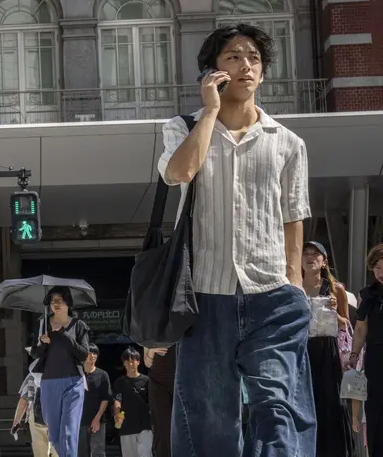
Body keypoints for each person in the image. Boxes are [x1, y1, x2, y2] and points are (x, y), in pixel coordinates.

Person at [159, 23, 315, 456]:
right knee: (210, 419)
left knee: (278, 407)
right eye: (233, 56)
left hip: (273, 297)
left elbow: (293, 216)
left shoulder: (288, 143)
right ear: (212, 71)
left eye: (254, 59)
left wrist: (294, 284)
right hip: (205, 297)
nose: (246, 65)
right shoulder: (182, 127)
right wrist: (209, 111)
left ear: (262, 74)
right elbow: (179, 172)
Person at [301, 241, 352, 457]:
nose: (309, 257)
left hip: (327, 350)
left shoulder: (335, 288)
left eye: (315, 254)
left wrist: (334, 311)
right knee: (303, 399)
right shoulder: (293, 287)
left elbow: (346, 326)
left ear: (324, 262)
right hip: (301, 349)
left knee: (330, 401)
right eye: (305, 253)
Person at [28, 287, 93, 457]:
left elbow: (84, 354)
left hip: (73, 383)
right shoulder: (42, 324)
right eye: (52, 300)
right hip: (49, 383)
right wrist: (43, 344)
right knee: (54, 434)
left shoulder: (78, 325)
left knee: (69, 429)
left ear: (67, 302)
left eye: (59, 299)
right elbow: (35, 354)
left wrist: (63, 333)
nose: (55, 303)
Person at [349, 244, 383, 455]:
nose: (381, 273)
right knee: (375, 411)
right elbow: (361, 328)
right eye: (377, 267)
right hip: (376, 357)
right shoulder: (367, 295)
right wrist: (354, 354)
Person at [112, 348, 151, 457]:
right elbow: (117, 400)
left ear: (138, 362)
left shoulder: (147, 381)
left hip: (145, 425)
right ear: (124, 363)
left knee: (146, 454)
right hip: (127, 426)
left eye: (133, 360)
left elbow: (152, 402)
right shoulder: (119, 382)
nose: (130, 363)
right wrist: (117, 415)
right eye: (127, 361)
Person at [12, 372, 59, 457]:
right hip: (58, 416)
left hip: (37, 416)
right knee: (58, 451)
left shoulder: (33, 373)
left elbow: (24, 400)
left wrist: (16, 421)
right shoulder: (64, 372)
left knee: (40, 452)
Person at [77, 346, 110, 457]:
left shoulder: (103, 374)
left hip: (98, 420)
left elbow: (106, 398)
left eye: (95, 353)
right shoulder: (77, 374)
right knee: (81, 453)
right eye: (90, 353)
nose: (92, 355)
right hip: (79, 420)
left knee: (98, 452)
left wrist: (97, 418)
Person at [142, 346, 173, 457]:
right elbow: (147, 363)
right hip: (158, 381)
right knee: (162, 427)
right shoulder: (150, 334)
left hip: (183, 376)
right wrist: (152, 350)